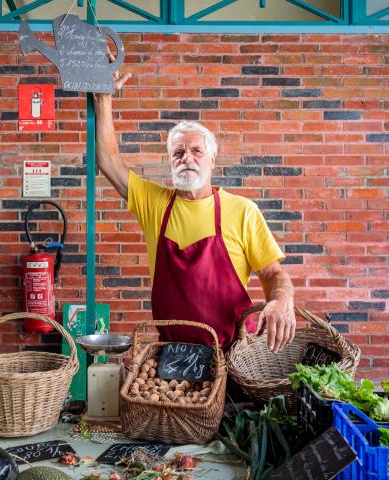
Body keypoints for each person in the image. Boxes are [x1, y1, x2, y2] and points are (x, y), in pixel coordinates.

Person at [94, 66, 295, 353]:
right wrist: (103, 99)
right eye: (178, 153)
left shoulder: (242, 211)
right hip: (175, 354)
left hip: (235, 353)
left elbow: (273, 274)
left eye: (196, 151)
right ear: (170, 162)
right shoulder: (155, 204)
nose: (187, 157)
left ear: (212, 159)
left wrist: (281, 300)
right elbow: (108, 161)